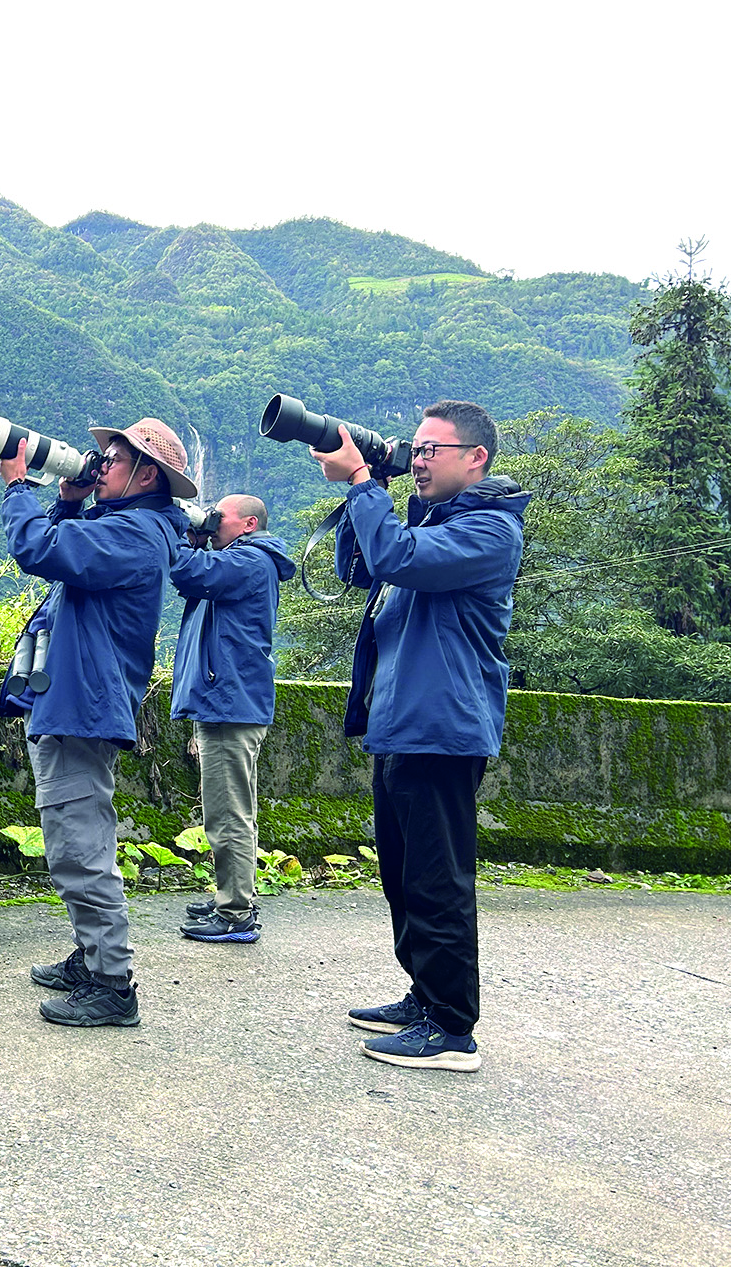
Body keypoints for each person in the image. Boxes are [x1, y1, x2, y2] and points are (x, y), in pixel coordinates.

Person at [313, 400, 527, 1073]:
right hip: (401, 725)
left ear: (476, 458)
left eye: (434, 448)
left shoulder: (490, 531)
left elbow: (397, 556)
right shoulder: (430, 525)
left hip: (444, 728)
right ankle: (424, 994)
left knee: (437, 880)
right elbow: (360, 568)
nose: (420, 458)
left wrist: (361, 485)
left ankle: (452, 1027)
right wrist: (365, 491)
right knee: (403, 878)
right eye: (418, 447)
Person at [0, 420, 192, 1027]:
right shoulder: (124, 527)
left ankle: (112, 982)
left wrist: (17, 487)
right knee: (73, 838)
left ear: (146, 474)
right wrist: (64, 502)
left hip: (84, 708)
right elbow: (64, 559)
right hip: (71, 701)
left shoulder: (136, 534)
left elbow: (39, 552)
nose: (99, 464)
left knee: (79, 846)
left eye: (114, 458)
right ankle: (91, 957)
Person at [170, 495, 296, 944]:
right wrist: (198, 537)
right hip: (226, 700)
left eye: (219, 515)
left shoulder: (249, 561)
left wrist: (173, 529)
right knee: (230, 809)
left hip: (231, 704)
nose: (212, 519)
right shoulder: (241, 560)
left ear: (247, 524)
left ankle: (237, 913)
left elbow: (188, 573)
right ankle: (233, 893)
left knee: (229, 814)